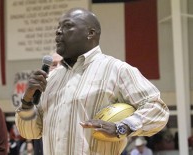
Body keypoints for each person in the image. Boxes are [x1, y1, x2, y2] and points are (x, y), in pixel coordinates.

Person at [15, 8, 169, 155]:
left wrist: (122, 127)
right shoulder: (53, 79)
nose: (58, 31)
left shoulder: (117, 70)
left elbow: (158, 110)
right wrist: (27, 101)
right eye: (58, 27)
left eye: (67, 26)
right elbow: (31, 132)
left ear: (90, 33)